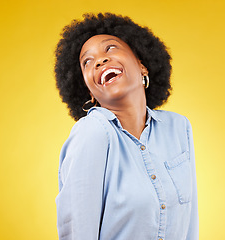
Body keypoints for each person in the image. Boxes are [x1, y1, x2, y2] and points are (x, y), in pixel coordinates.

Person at [54, 12, 199, 240]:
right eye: (87, 62)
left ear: (142, 65)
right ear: (90, 92)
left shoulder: (178, 128)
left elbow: (190, 224)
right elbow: (77, 232)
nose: (100, 60)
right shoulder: (92, 133)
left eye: (110, 49)